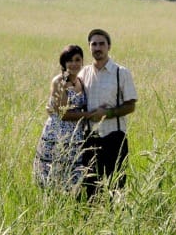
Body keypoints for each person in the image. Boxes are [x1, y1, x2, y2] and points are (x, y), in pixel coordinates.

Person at [78, 29, 138, 198]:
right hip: (89, 139)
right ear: (89, 47)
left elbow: (131, 106)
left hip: (115, 137)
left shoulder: (121, 72)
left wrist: (108, 113)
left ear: (109, 46)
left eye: (101, 44)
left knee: (116, 189)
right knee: (91, 190)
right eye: (93, 44)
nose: (98, 48)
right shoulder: (83, 73)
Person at [33, 44, 94, 191]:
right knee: (54, 175)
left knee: (73, 177)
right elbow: (63, 114)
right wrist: (89, 115)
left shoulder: (80, 81)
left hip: (76, 135)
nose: (74, 64)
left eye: (77, 60)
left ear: (82, 62)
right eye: (69, 60)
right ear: (64, 63)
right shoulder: (59, 81)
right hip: (59, 134)